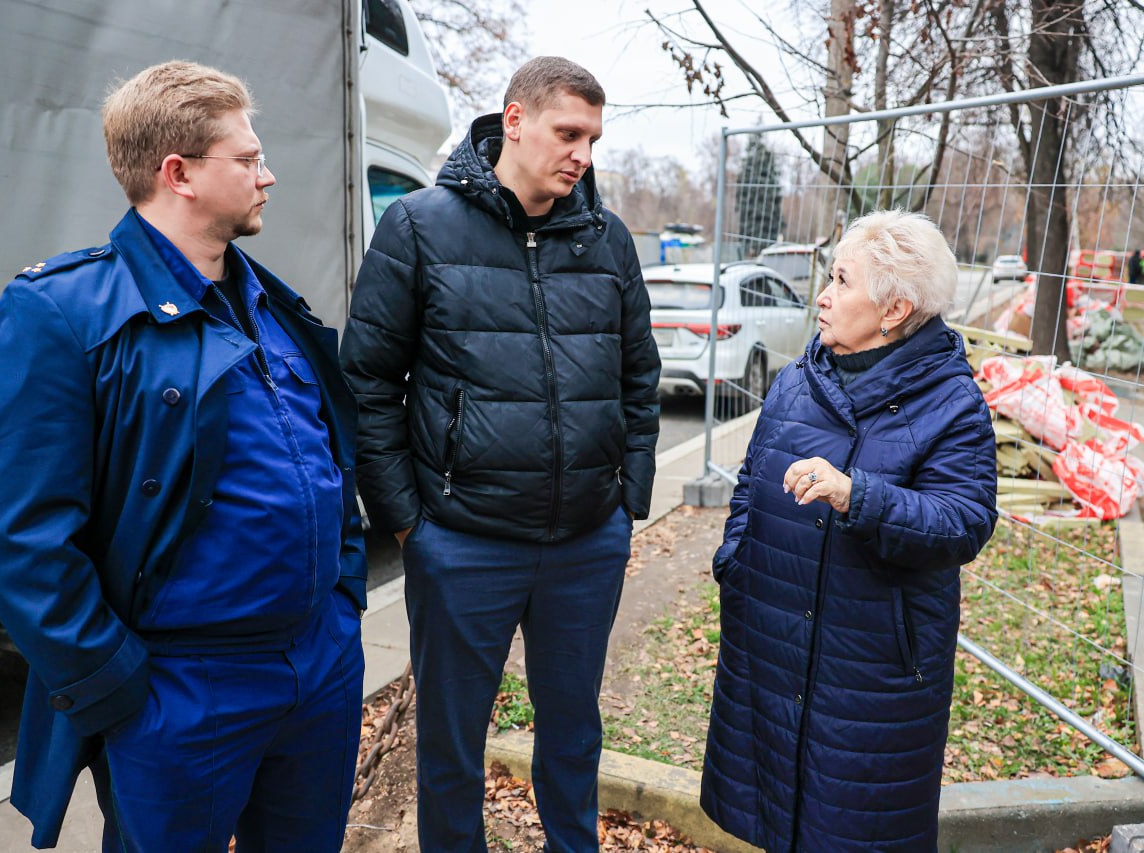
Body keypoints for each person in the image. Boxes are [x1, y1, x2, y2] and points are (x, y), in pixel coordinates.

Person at [0, 61, 365, 852]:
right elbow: (20, 538)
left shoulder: (272, 302)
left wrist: (345, 604)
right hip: (183, 693)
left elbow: (328, 460)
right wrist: (119, 687)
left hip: (317, 667)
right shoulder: (60, 312)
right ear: (177, 173)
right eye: (248, 159)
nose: (268, 174)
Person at [340, 56, 660, 852]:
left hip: (585, 544)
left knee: (573, 736)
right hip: (464, 543)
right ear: (513, 121)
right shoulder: (418, 225)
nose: (582, 152)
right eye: (567, 132)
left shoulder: (606, 239)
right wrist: (411, 524)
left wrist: (629, 503)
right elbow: (367, 381)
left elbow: (639, 375)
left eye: (591, 136)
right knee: (451, 747)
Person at [700, 210, 998, 851]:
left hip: (870, 665)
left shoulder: (952, 403)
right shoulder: (797, 381)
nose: (824, 296)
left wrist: (858, 495)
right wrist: (735, 564)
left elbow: (965, 522)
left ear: (893, 309)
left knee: (850, 826)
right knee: (772, 814)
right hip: (770, 641)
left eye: (841, 280)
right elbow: (751, 485)